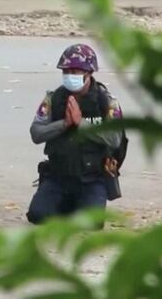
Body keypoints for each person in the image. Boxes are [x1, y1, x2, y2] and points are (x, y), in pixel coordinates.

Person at [26, 44, 123, 225]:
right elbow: (36, 133)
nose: (70, 76)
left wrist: (81, 124)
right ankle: (67, 205)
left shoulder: (107, 101)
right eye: (67, 71)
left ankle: (80, 206)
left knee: (91, 224)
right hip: (58, 176)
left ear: (89, 73)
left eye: (76, 72)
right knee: (37, 216)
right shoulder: (54, 99)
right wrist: (64, 124)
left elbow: (115, 139)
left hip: (92, 178)